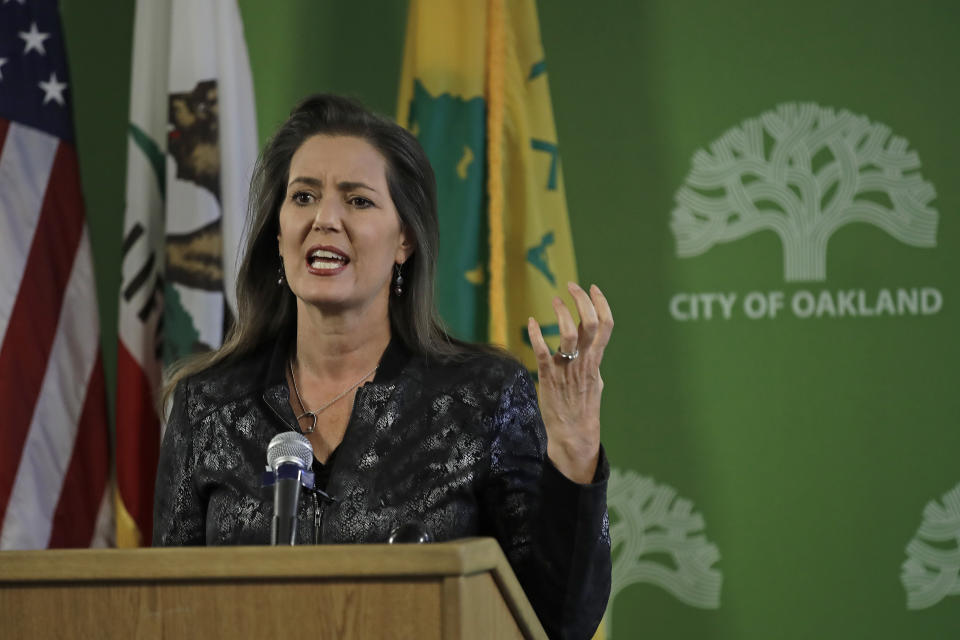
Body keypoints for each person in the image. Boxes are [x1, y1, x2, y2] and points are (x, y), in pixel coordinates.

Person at [153, 94, 613, 639]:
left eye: (358, 201)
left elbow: (561, 621)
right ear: (278, 233)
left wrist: (576, 450)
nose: (326, 218)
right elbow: (167, 612)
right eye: (303, 196)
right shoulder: (209, 407)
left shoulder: (481, 398)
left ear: (405, 240)